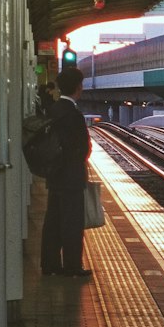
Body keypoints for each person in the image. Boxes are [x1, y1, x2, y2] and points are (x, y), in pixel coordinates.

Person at [40, 67, 93, 277]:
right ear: (78, 88)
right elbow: (83, 147)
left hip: (55, 174)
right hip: (71, 177)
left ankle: (50, 264)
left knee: (53, 221)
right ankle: (72, 266)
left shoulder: (53, 110)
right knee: (72, 222)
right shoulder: (74, 114)